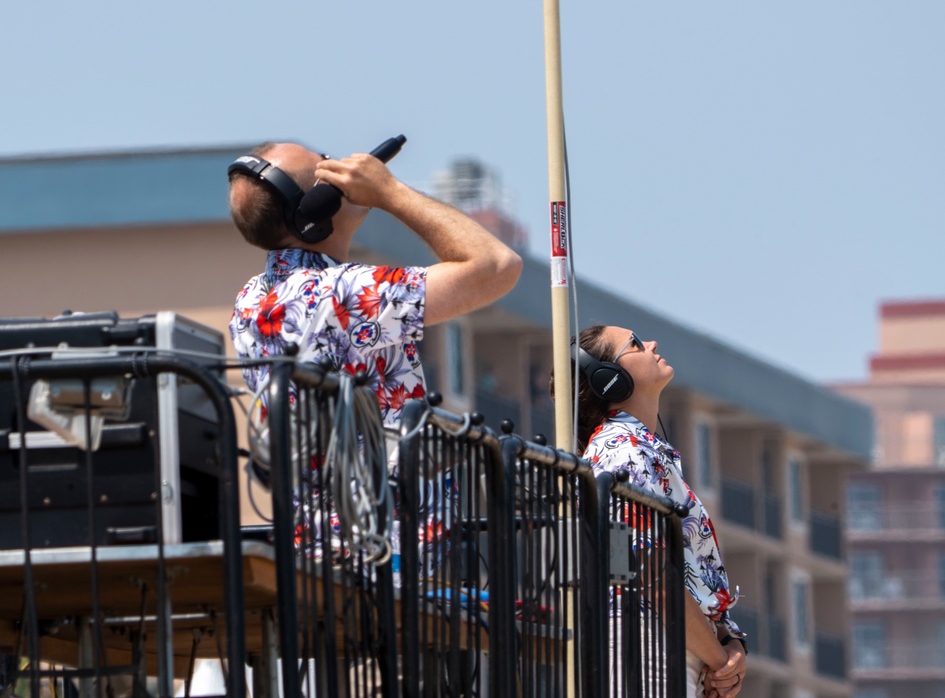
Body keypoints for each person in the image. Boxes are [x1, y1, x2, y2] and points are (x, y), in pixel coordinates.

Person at [228, 141, 523, 424]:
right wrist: (389, 191)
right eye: (328, 169)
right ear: (316, 210)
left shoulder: (248, 301)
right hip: (387, 476)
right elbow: (497, 266)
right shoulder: (343, 292)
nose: (344, 168)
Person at [566, 324, 747, 698]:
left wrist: (732, 646)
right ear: (609, 379)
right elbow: (648, 571)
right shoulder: (622, 452)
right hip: (648, 652)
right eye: (634, 344)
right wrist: (719, 660)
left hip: (670, 649)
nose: (650, 344)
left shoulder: (639, 450)